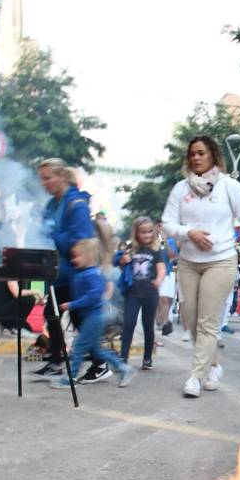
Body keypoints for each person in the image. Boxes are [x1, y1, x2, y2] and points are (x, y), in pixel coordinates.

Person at [161, 135, 240, 398]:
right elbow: (167, 225)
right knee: (192, 321)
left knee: (207, 323)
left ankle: (196, 377)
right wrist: (189, 233)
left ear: (213, 156)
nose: (196, 158)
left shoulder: (229, 186)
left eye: (201, 153)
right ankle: (214, 365)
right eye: (192, 154)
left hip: (220, 261)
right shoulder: (180, 189)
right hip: (188, 262)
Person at [34, 158, 102, 379]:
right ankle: (57, 359)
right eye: (42, 179)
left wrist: (54, 236)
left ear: (62, 176)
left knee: (79, 318)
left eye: (48, 178)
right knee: (52, 314)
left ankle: (100, 364)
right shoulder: (52, 204)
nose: (44, 183)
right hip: (59, 272)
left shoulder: (76, 204)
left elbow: (81, 241)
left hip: (76, 274)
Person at [49, 239, 136, 389]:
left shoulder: (92, 274)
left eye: (76, 256)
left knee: (79, 346)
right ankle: (124, 369)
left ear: (88, 257)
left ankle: (72, 377)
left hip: (94, 317)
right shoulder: (84, 273)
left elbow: (93, 297)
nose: (73, 260)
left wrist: (72, 305)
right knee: (96, 350)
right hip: (91, 318)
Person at [115, 216, 166, 370]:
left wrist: (158, 279)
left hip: (150, 293)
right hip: (133, 293)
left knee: (148, 326)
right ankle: (123, 358)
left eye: (150, 231)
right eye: (143, 232)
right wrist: (123, 261)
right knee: (128, 324)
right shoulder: (131, 248)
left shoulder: (157, 250)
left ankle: (147, 358)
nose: (147, 235)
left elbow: (162, 268)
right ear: (136, 233)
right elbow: (123, 268)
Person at [155, 221, 179, 337]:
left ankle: (164, 322)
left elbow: (172, 257)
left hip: (168, 273)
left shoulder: (170, 241)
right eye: (158, 226)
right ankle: (161, 321)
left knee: (166, 300)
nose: (160, 228)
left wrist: (164, 241)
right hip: (154, 273)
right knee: (159, 299)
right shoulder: (151, 241)